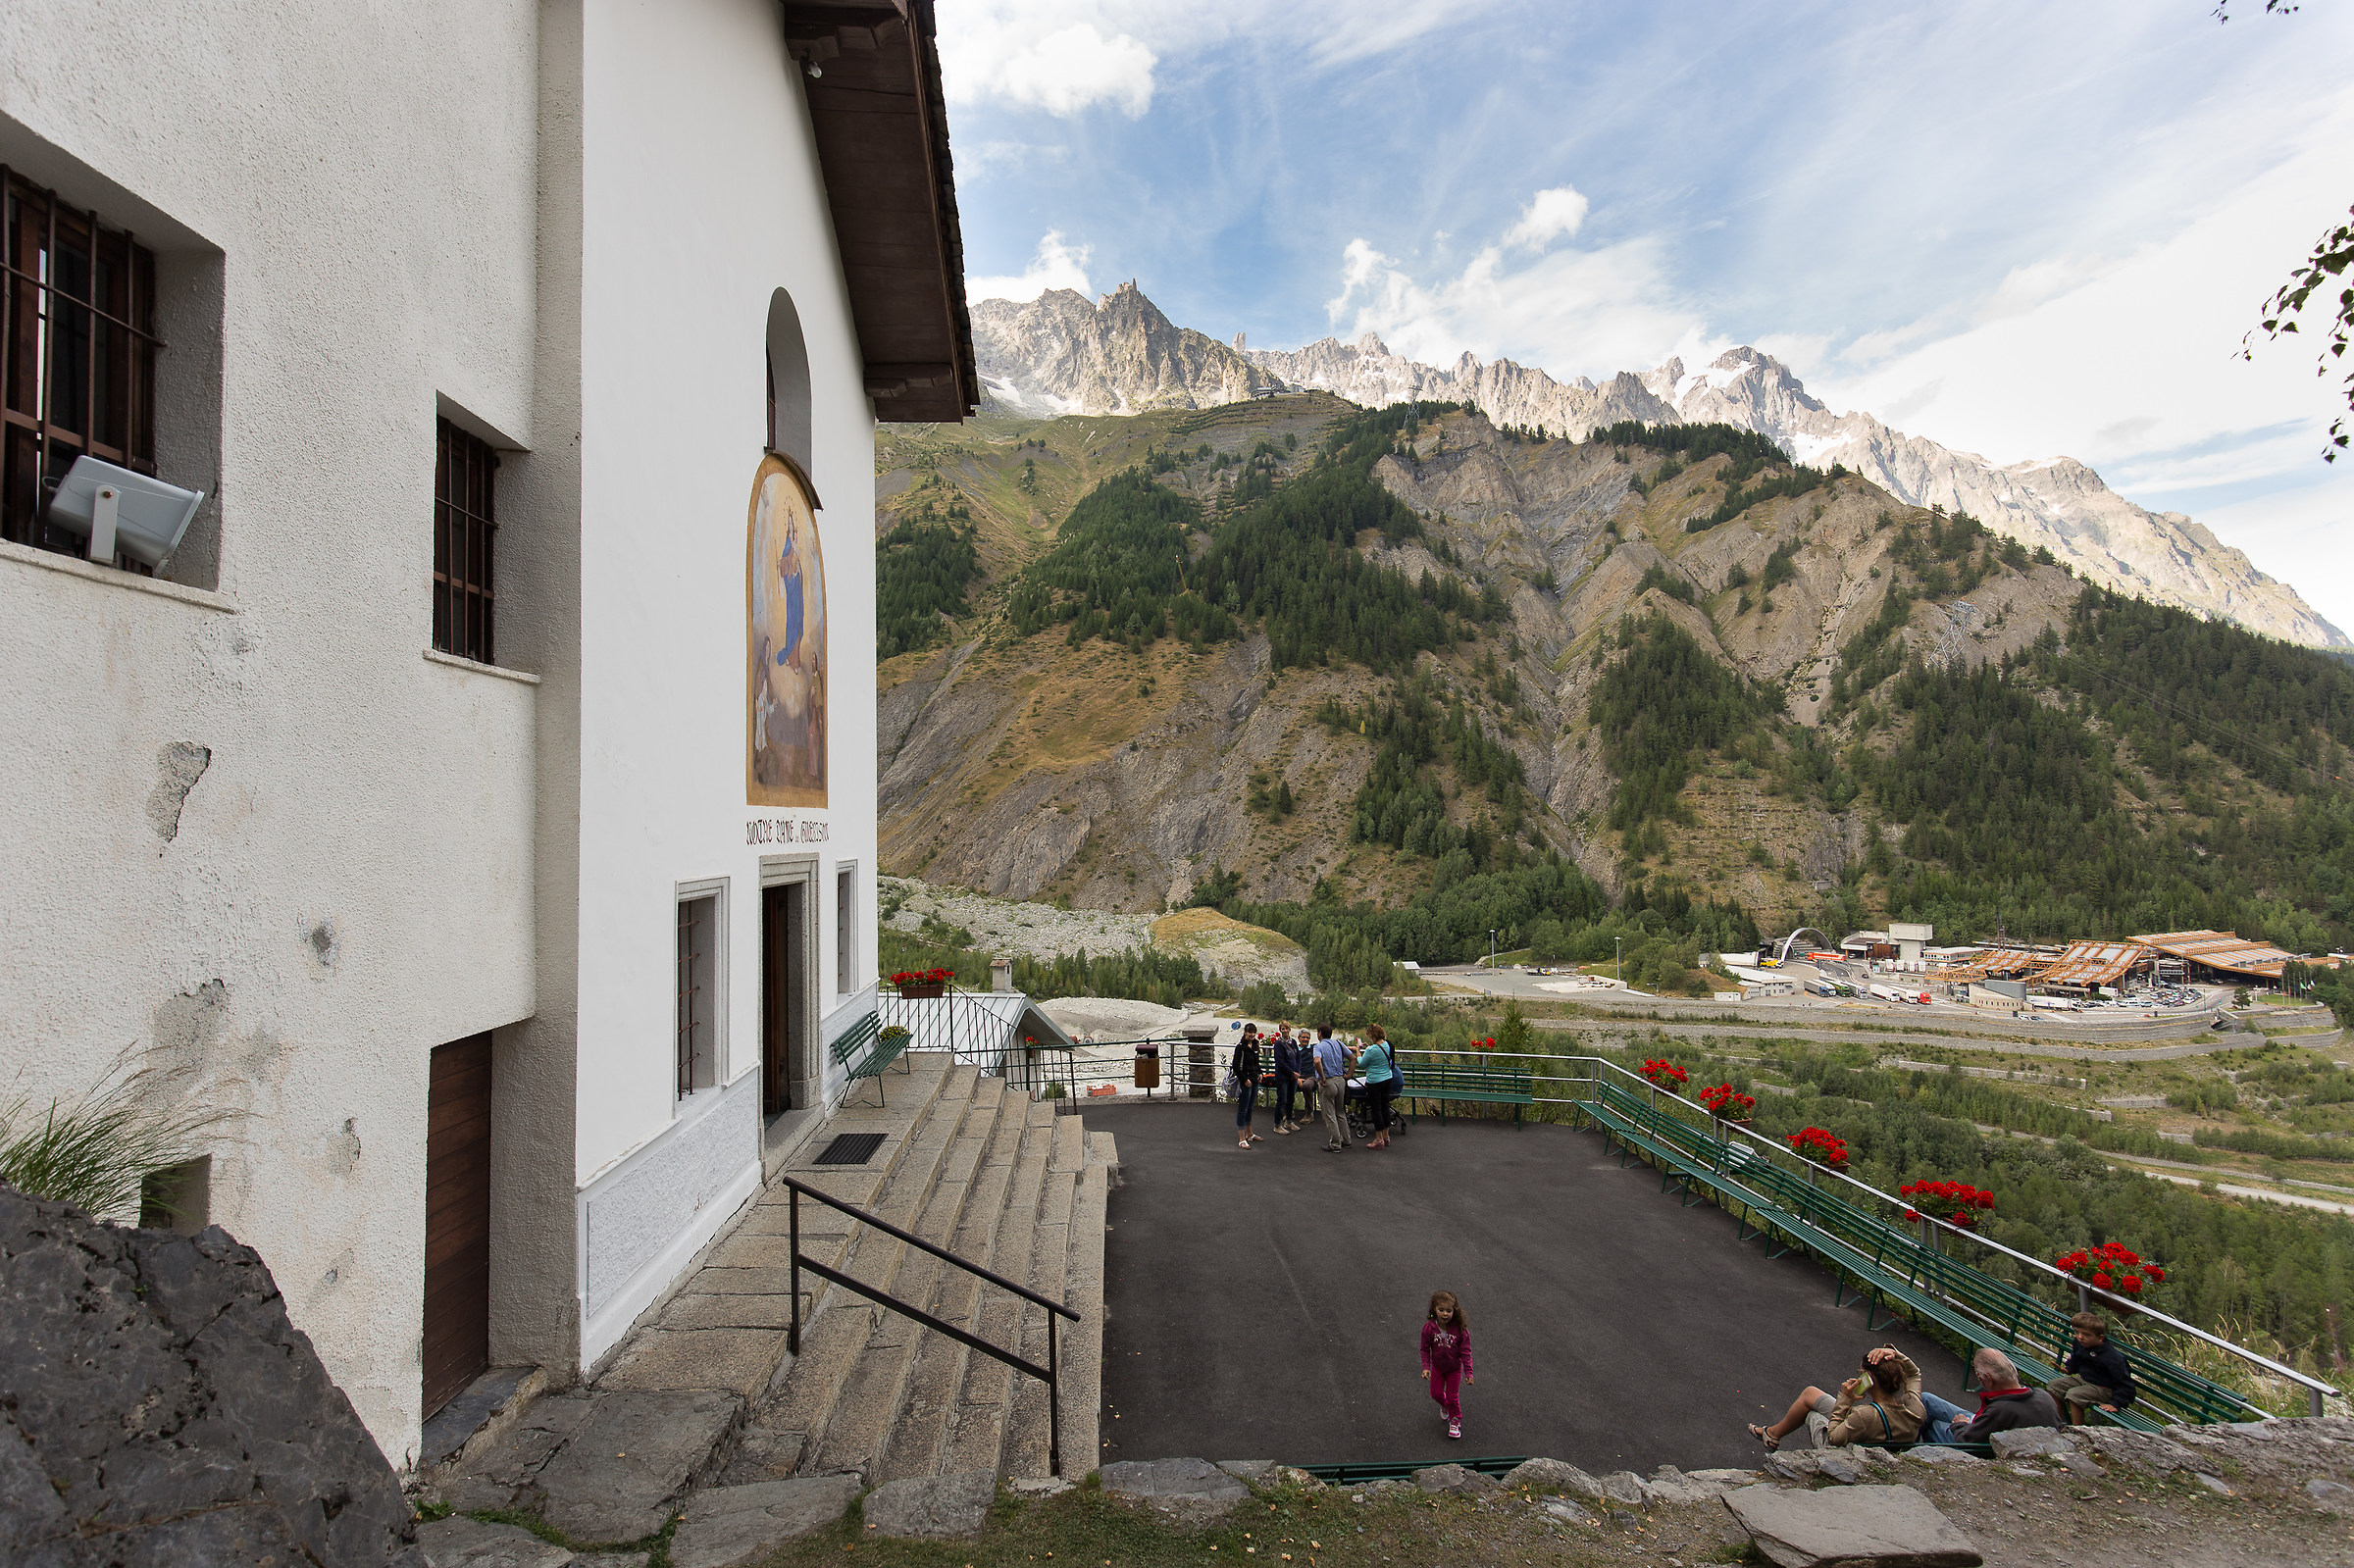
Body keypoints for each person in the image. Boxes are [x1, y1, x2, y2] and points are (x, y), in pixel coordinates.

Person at [1748, 1346, 1924, 1450]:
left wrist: (1845, 1400)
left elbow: (1833, 1438)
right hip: (1882, 1430)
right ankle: (1772, 1434)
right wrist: (1894, 1353)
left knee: (1811, 1414)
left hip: (1842, 1446)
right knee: (1811, 1393)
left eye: (1861, 1374)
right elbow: (1914, 1374)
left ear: (1868, 1380)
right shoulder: (1914, 1408)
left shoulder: (1864, 1415)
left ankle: (1772, 1436)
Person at [1919, 1348, 2063, 1443]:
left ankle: (1909, 1449)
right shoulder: (2043, 1395)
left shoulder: (2001, 1410)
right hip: (1983, 1424)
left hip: (1973, 1436)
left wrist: (1959, 1425)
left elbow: (1967, 1440)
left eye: (1979, 1375)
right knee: (1926, 1399)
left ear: (1988, 1379)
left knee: (1933, 1424)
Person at [2045, 1312, 2137, 1425]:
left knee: (2074, 1395)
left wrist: (2116, 1403)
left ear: (2100, 1338)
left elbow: (2125, 1383)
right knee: (2054, 1385)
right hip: (2085, 1380)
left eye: (2086, 1335)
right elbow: (2076, 1358)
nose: (2080, 1337)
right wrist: (2069, 1369)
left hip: (2104, 1388)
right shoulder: (2081, 1344)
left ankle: (2077, 1431)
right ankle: (2058, 1423)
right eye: (2077, 1332)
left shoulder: (2112, 1357)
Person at [1420, 1290, 1474, 1441]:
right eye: (1441, 1310)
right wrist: (1426, 1367)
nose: (1445, 1314)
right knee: (1436, 1394)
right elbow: (1425, 1349)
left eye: (1449, 1311)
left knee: (1453, 1397)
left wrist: (1469, 1373)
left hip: (1454, 1369)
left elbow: (1466, 1352)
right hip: (1438, 1367)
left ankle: (1455, 1420)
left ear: (1454, 1311)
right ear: (1434, 1310)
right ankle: (1445, 1405)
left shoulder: (1460, 1330)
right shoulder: (1429, 1329)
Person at [1312, 1024, 1352, 1151]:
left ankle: (1335, 1143)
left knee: (1329, 1114)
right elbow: (1353, 1057)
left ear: (1319, 1034)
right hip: (1340, 1080)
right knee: (1340, 1112)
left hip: (1328, 1082)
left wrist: (1322, 1077)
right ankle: (1346, 1139)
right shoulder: (1338, 1044)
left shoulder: (1319, 1047)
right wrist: (1349, 1074)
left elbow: (1317, 1061)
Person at [1358, 1025, 1399, 1149]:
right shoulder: (1388, 1045)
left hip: (1374, 1082)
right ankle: (1386, 1136)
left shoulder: (1371, 1050)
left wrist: (1358, 1051)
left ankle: (1378, 1139)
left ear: (1372, 1035)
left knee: (1376, 1109)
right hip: (1387, 1079)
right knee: (1385, 1107)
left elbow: (1362, 1064)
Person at [1231, 1028, 1267, 1149]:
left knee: (1250, 1108)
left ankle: (1250, 1133)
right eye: (1249, 1032)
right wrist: (1244, 1079)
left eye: (1253, 1032)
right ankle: (1241, 1138)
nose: (1252, 1035)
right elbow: (1235, 1066)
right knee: (1242, 1109)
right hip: (1245, 1082)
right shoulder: (1240, 1048)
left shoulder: (1255, 1045)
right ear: (1245, 1033)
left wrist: (1260, 1073)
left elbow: (1256, 1063)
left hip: (1255, 1080)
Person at [1271, 1025, 1305, 1134]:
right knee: (1282, 1100)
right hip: (1283, 1076)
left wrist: (1297, 1072)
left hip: (1293, 1076)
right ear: (1280, 1030)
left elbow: (1298, 1057)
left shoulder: (1293, 1042)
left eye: (1286, 1029)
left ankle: (1289, 1121)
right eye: (1283, 1029)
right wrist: (1291, 1072)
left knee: (1291, 1099)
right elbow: (1280, 1061)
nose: (1285, 1031)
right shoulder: (1278, 1044)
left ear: (1290, 1029)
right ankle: (1277, 1125)